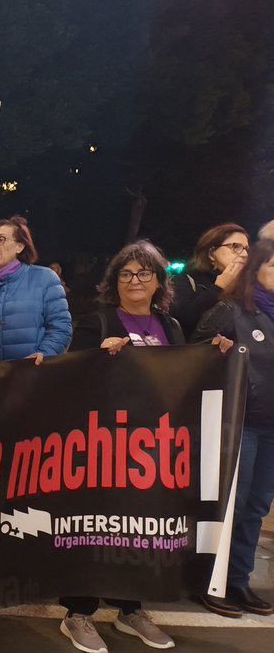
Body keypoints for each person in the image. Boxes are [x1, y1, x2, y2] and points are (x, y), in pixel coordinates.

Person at [63, 241, 229, 651]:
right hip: (103, 445)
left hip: (152, 449)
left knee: (139, 528)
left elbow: (181, 375)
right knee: (97, 528)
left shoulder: (170, 327)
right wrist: (96, 358)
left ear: (158, 281)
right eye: (126, 273)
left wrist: (215, 354)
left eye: (144, 273)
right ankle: (78, 613)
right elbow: (66, 376)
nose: (135, 281)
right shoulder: (98, 322)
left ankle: (129, 609)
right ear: (114, 281)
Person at [194, 238, 274, 618]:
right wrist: (216, 348)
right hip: (239, 423)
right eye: (273, 265)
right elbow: (196, 349)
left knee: (256, 507)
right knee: (230, 505)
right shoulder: (231, 310)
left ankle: (238, 580)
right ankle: (210, 580)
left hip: (272, 427)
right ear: (254, 269)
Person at [0, 216, 71, 361]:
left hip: (32, 373)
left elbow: (61, 327)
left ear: (20, 246)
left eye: (1, 239)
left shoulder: (44, 278)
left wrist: (44, 354)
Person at [170, 223, 249, 338]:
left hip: (240, 354)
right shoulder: (187, 280)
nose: (245, 254)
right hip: (201, 354)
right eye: (236, 247)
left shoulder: (248, 286)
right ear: (212, 253)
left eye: (246, 249)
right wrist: (218, 288)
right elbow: (182, 319)